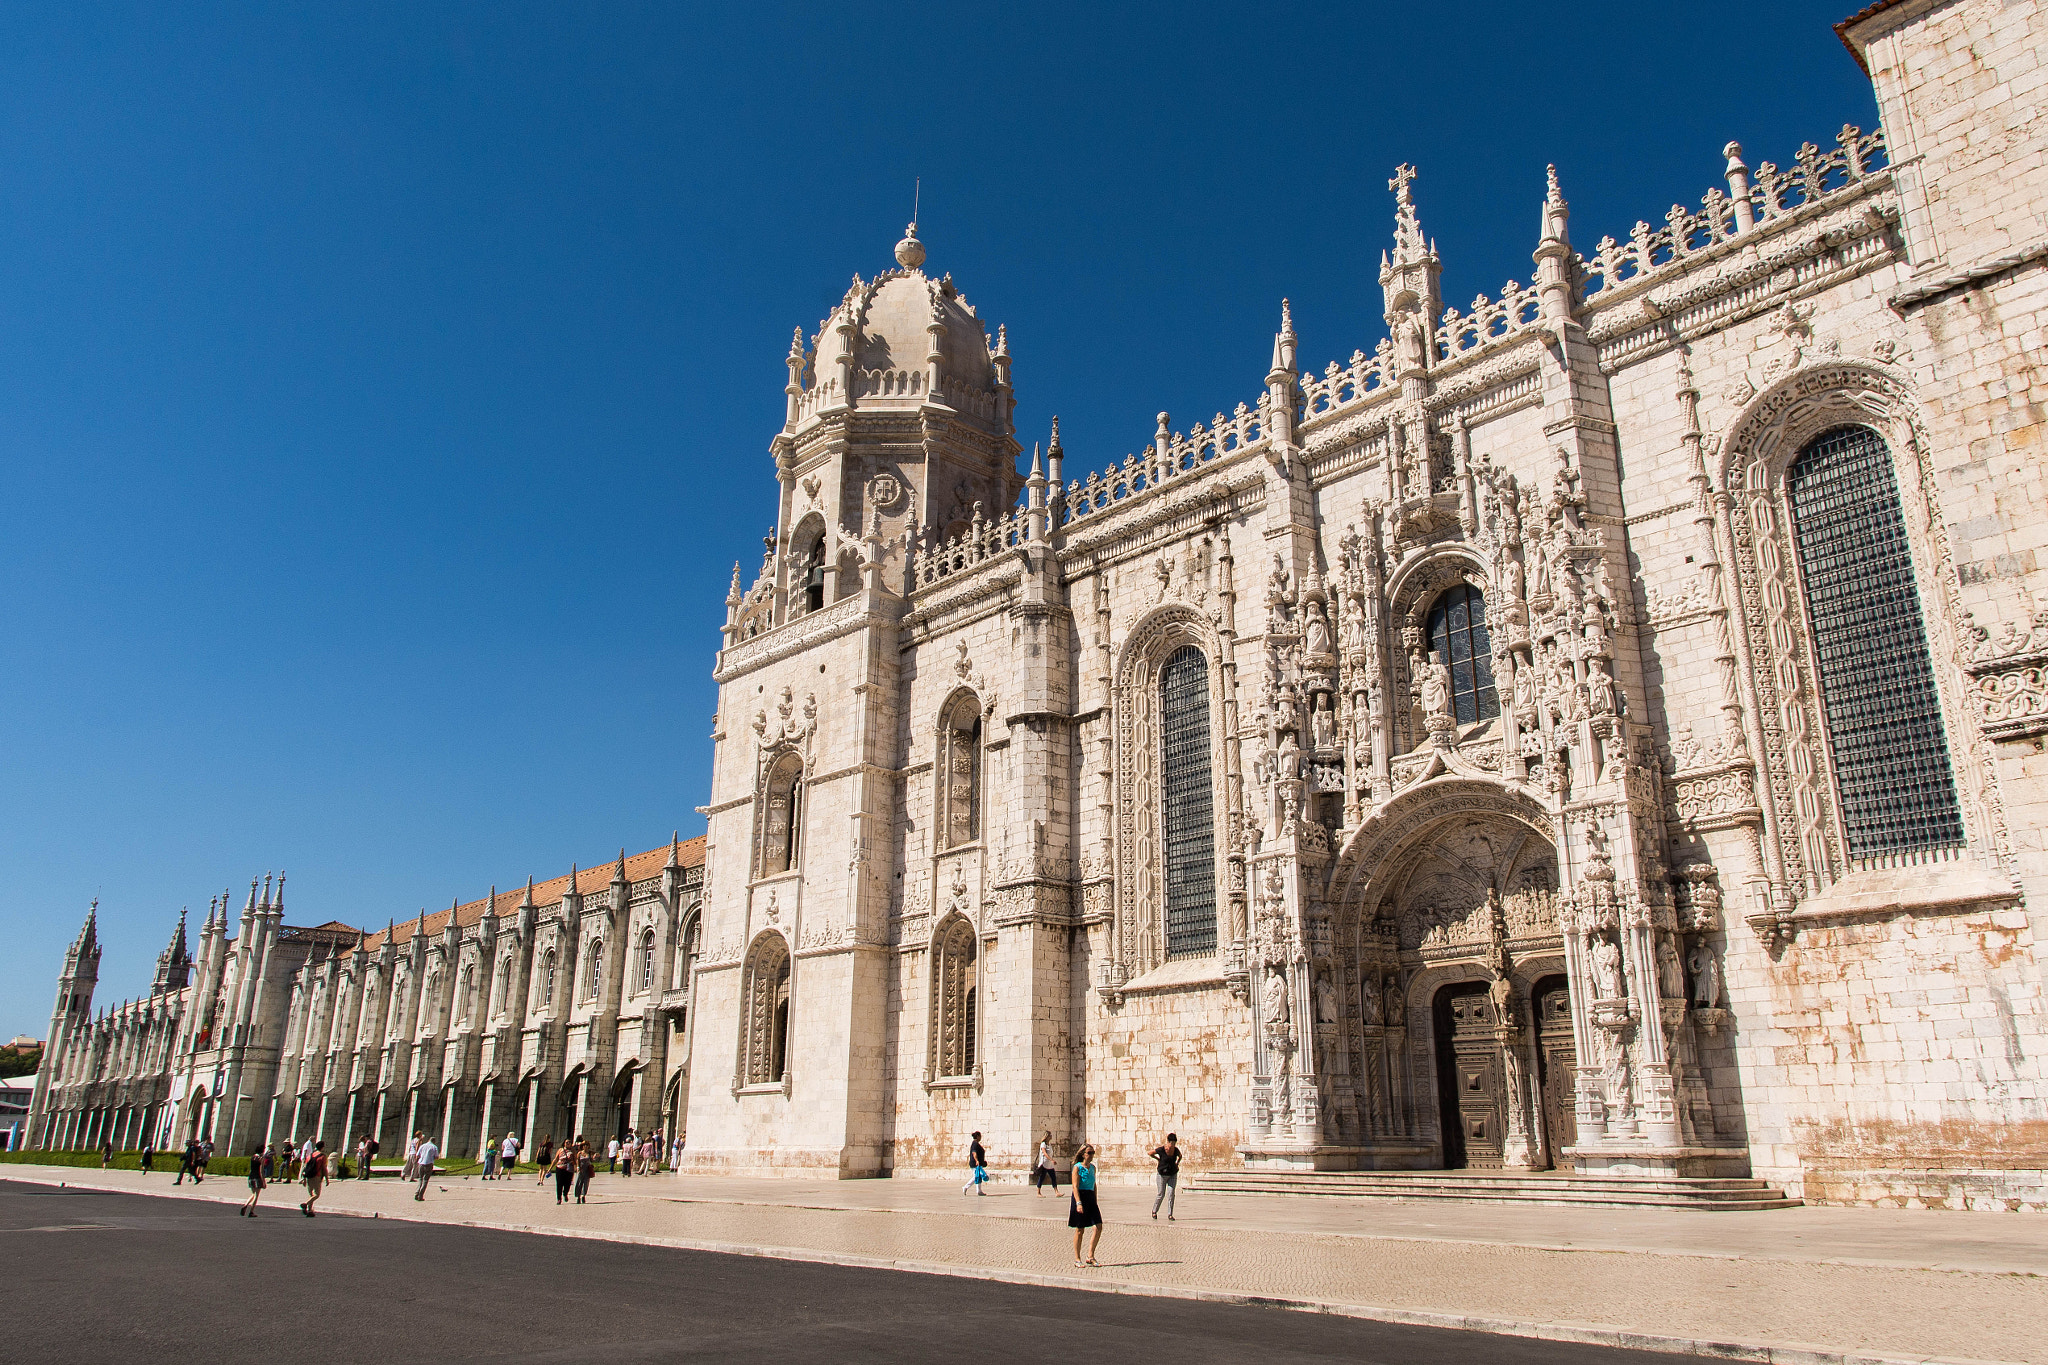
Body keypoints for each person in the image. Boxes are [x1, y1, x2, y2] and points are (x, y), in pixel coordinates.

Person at [1068, 1144, 1103, 1267]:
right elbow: (1075, 1187)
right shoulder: (1077, 1168)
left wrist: (1095, 1200)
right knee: (1080, 1230)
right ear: (1083, 1154)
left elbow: (1094, 1185)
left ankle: (1090, 1255)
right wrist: (1078, 1203)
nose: (1092, 1155)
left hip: (1090, 1197)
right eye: (1089, 1152)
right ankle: (1077, 1258)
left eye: (1093, 1152)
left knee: (1098, 1226)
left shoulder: (1093, 1168)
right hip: (1080, 1197)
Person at [1149, 1132, 1182, 1221]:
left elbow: (1180, 1156)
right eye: (1171, 1143)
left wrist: (1177, 1163)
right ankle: (1154, 1211)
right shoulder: (1162, 1149)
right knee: (1161, 1194)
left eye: (1174, 1143)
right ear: (1168, 1142)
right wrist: (1158, 1159)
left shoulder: (1176, 1150)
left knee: (1171, 1194)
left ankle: (1170, 1214)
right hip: (1162, 1175)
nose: (1172, 1145)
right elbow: (1150, 1153)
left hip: (1172, 1174)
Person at [300, 1141, 327, 1217]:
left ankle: (309, 1211)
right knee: (316, 1194)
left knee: (310, 1194)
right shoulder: (322, 1156)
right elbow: (324, 1168)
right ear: (322, 1147)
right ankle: (305, 1204)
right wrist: (327, 1179)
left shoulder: (310, 1155)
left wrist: (304, 1178)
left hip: (308, 1176)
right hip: (316, 1176)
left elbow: (305, 1167)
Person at [240, 1143, 266, 1217]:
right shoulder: (261, 1158)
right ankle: (251, 1211)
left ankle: (245, 1205)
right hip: (257, 1177)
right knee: (256, 1195)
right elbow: (261, 1171)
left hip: (251, 1176)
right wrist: (263, 1182)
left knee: (253, 1194)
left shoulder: (253, 1157)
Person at [413, 1134, 439, 1201]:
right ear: (434, 1141)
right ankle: (420, 1196)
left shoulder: (423, 1146)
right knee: (425, 1180)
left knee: (420, 1179)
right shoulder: (434, 1147)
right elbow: (436, 1157)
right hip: (429, 1164)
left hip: (421, 1163)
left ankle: (417, 1192)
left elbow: (417, 1155)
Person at [1033, 1132, 1058, 1197]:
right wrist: (1052, 1160)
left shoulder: (1049, 1144)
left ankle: (1056, 1192)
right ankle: (1038, 1192)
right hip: (1044, 1163)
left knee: (1053, 1177)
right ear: (1047, 1137)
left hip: (1049, 1164)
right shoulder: (1043, 1144)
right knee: (1042, 1178)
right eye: (1050, 1135)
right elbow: (1045, 1153)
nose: (1051, 1136)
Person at [574, 1139, 594, 1204]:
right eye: (584, 1145)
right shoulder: (579, 1153)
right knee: (579, 1183)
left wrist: (594, 1157)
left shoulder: (589, 1153)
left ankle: (583, 1195)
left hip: (587, 1169)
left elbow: (592, 1160)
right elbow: (577, 1161)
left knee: (586, 1183)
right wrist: (577, 1167)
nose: (585, 1146)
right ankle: (578, 1196)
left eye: (586, 1145)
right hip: (581, 1169)